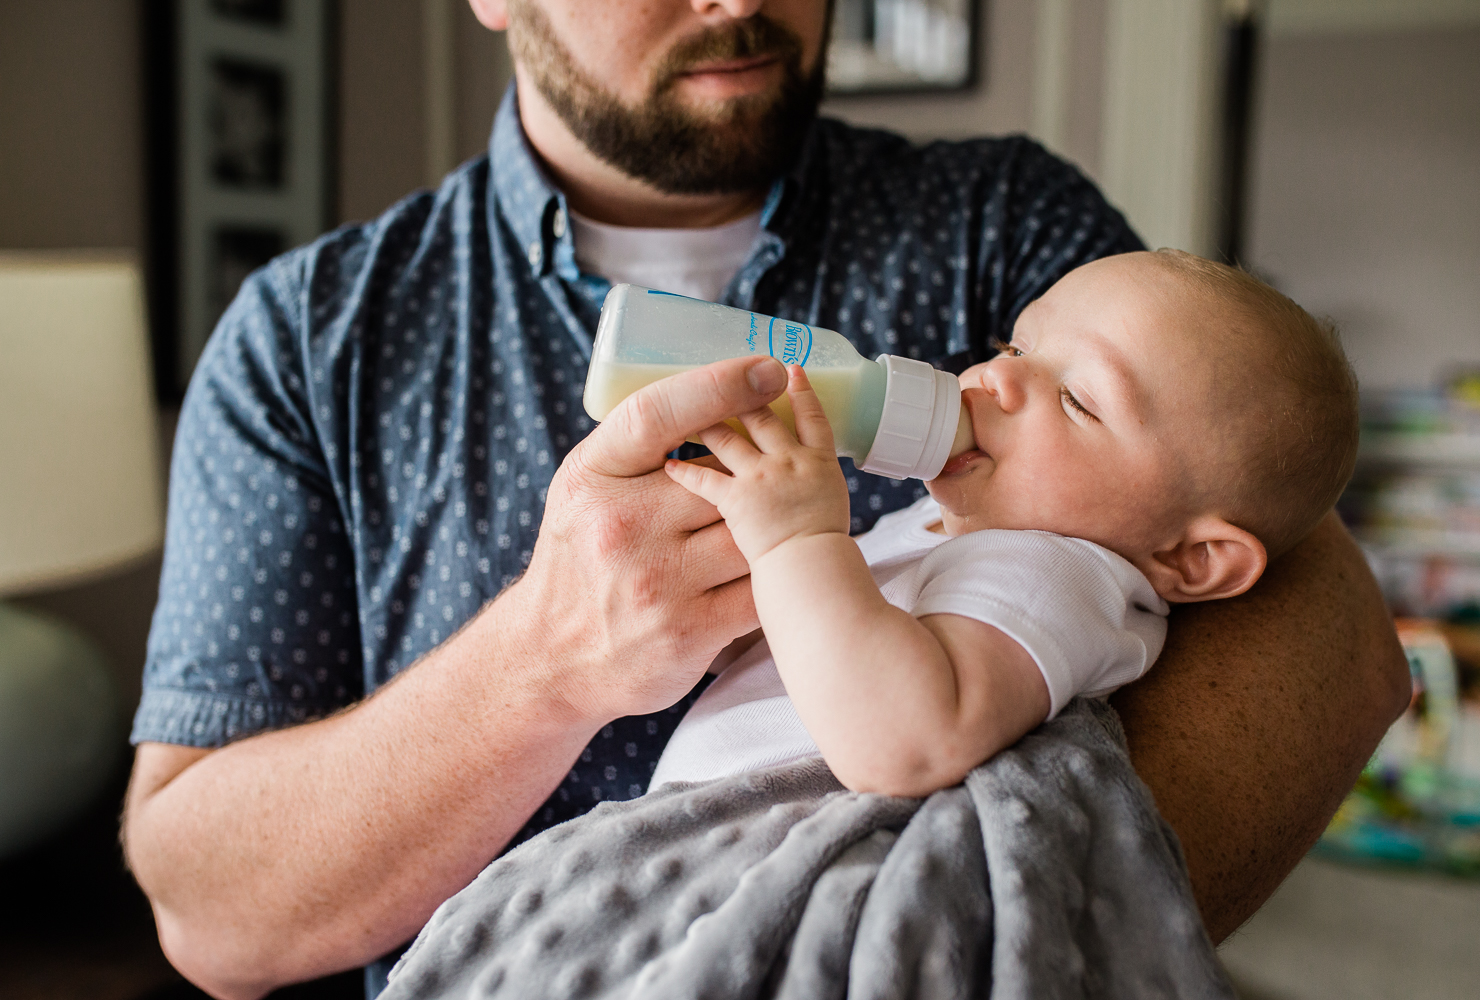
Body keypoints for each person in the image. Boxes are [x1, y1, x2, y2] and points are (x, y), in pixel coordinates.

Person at [118, 2, 1409, 998]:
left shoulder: (998, 219)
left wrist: (950, 941)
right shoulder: (311, 335)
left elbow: (1327, 637)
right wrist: (547, 664)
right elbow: (212, 919)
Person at [649, 249, 1359, 795]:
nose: (996, 377)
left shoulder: (1059, 572)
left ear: (1194, 558)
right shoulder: (935, 521)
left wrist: (794, 542)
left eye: (1079, 398)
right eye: (1018, 347)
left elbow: (906, 742)